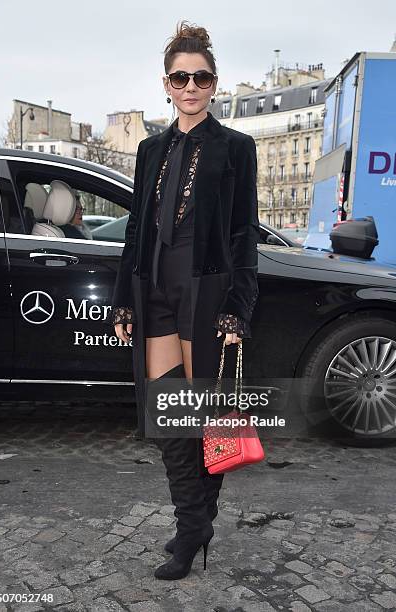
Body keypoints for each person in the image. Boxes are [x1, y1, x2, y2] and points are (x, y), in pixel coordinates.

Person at [111, 20, 259, 580]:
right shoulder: (150, 149)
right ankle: (192, 521)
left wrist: (237, 309)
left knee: (210, 415)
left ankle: (197, 524)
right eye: (180, 76)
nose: (190, 85)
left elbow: (245, 232)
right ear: (166, 84)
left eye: (201, 77)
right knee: (168, 413)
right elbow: (135, 231)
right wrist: (127, 299)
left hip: (207, 288)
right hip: (156, 289)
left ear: (214, 84)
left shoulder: (236, 148)